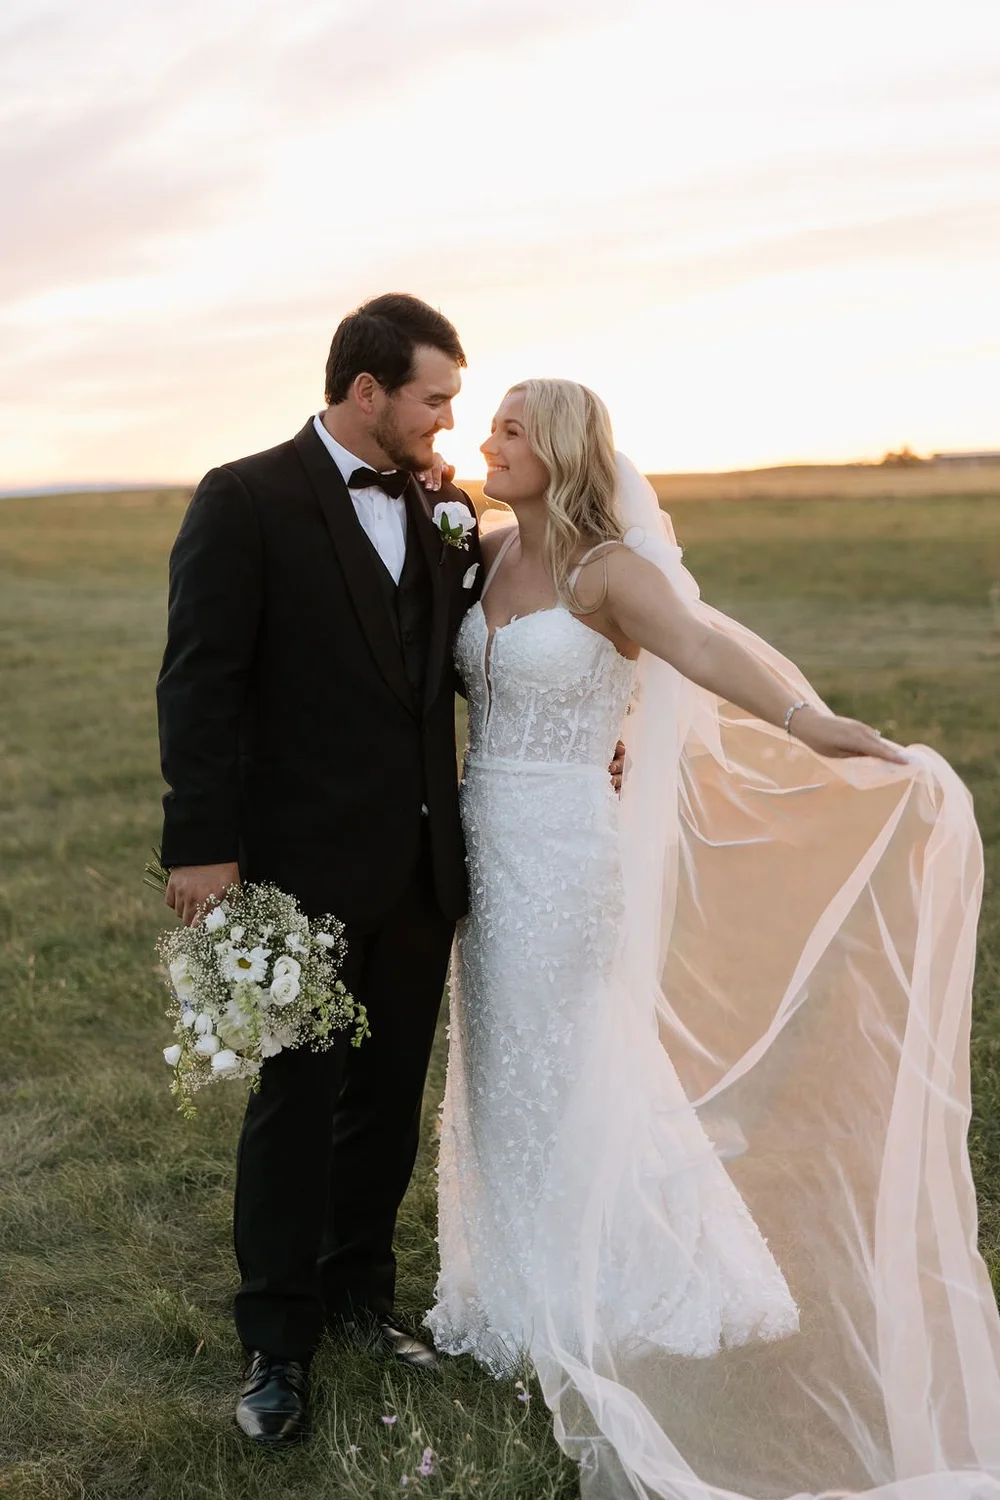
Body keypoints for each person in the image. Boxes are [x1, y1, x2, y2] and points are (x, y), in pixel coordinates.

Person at [428, 378, 1000, 1499]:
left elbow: (697, 647)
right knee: (499, 1062)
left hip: (562, 851)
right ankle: (514, 1283)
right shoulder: (486, 551)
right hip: (481, 840)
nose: (484, 443)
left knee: (573, 1056)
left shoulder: (610, 573)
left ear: (555, 446)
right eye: (484, 424)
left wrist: (805, 718)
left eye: (506, 429)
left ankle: (629, 1279)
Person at [157, 294, 485, 1446]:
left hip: (419, 863)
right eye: (434, 397)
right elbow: (198, 682)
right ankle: (276, 1341)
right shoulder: (242, 497)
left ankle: (359, 1295)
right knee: (294, 1105)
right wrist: (201, 845)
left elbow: (468, 661)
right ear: (366, 391)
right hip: (293, 862)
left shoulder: (444, 508)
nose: (449, 418)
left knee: (387, 1100)